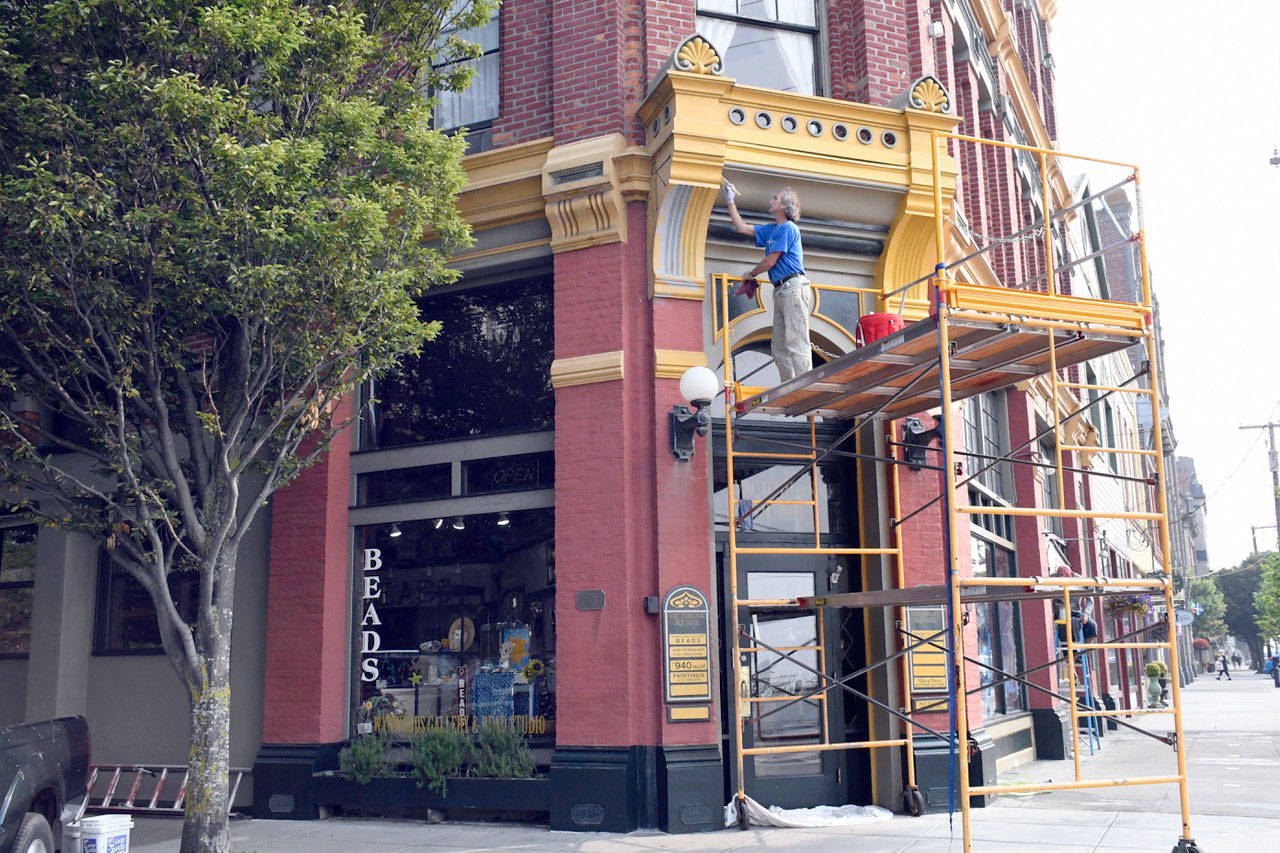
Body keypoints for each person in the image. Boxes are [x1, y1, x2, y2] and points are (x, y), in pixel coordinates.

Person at [722, 182, 813, 382]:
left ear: (784, 206)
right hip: (782, 289)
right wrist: (730, 202)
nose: (771, 201)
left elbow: (771, 261)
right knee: (779, 344)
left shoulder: (788, 228)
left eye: (775, 198)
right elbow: (741, 228)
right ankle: (789, 386)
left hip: (793, 286)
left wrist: (752, 273)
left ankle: (806, 384)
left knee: (796, 340)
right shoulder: (773, 229)